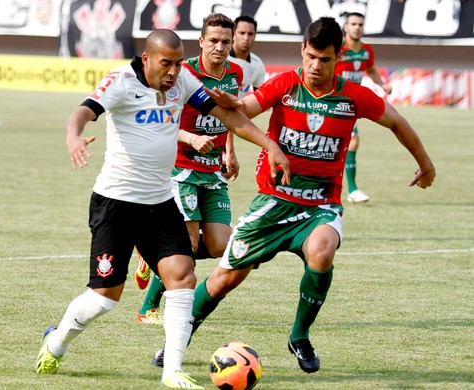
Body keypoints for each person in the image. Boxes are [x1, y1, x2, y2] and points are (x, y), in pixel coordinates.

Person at [151, 16, 435, 374]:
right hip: (273, 202)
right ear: (302, 50)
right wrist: (229, 103)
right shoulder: (284, 85)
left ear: (338, 57)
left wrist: (425, 164)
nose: (315, 66)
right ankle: (179, 336)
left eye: (325, 59)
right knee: (226, 279)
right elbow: (246, 109)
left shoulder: (353, 97)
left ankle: (299, 336)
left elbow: (397, 121)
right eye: (310, 56)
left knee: (322, 250)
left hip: (320, 205)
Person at [34, 29, 290, 389]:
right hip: (116, 204)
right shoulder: (121, 82)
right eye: (166, 64)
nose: (173, 72)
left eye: (178, 63)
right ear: (147, 60)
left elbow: (230, 118)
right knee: (105, 299)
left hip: (160, 202)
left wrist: (270, 145)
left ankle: (172, 371)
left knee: (183, 277)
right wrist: (73, 136)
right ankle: (56, 342)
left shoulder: (183, 80)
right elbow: (81, 112)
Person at [135, 13, 243, 325]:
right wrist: (191, 138)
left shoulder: (235, 73)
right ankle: (148, 307)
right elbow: (160, 119)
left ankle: (152, 254)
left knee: (221, 245)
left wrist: (230, 151)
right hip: (181, 168)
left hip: (214, 172)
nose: (220, 47)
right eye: (213, 41)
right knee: (188, 245)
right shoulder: (184, 73)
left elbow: (230, 114)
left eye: (225, 41)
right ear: (201, 42)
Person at [335, 12, 392, 203]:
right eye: (353, 24)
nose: (357, 27)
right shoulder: (338, 49)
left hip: (353, 103)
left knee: (347, 142)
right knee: (351, 141)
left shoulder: (367, 50)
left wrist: (382, 84)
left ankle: (349, 190)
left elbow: (371, 70)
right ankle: (351, 190)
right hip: (335, 101)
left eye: (360, 24)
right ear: (346, 27)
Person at [227, 15, 266, 98]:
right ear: (233, 34)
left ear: (255, 36)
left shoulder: (257, 64)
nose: (246, 38)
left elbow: (260, 98)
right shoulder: (221, 57)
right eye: (242, 33)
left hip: (237, 110)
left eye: (250, 34)